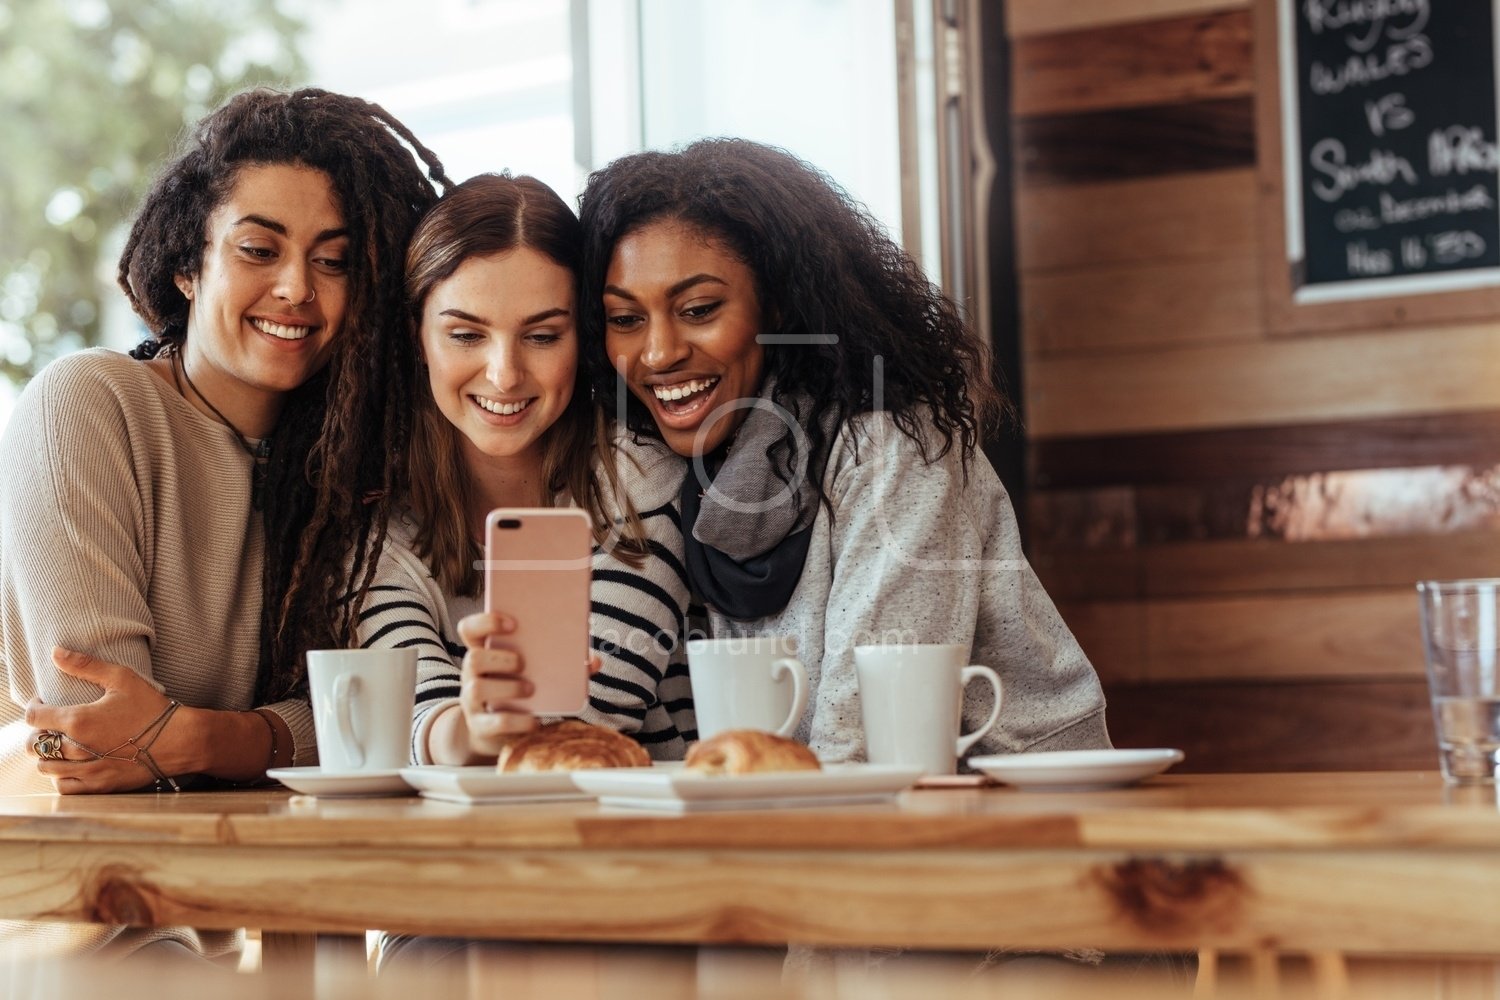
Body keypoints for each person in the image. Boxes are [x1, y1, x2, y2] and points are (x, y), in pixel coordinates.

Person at [0, 87, 448, 959]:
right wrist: (282, 734)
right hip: (81, 912)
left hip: (272, 918)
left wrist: (204, 735)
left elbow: (386, 719)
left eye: (336, 261)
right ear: (188, 263)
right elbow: (101, 736)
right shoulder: (89, 405)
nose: (296, 289)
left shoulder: (360, 459)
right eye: (258, 249)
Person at [577, 138, 1110, 763]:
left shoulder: (892, 447)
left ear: (774, 304)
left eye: (698, 309)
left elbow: (865, 742)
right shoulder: (684, 462)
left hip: (1015, 808)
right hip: (827, 812)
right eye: (624, 319)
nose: (658, 352)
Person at [352, 173, 694, 768]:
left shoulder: (640, 482)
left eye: (541, 335)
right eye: (465, 334)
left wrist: (489, 732)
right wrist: (468, 731)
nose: (504, 374)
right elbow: (413, 711)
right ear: (417, 338)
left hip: (639, 837)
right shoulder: (378, 527)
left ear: (580, 341)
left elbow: (578, 727)